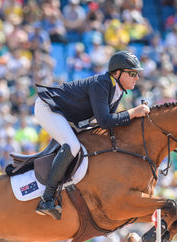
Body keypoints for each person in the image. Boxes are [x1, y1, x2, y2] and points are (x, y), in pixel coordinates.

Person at [33, 50, 150, 219]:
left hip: (67, 116)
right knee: (72, 145)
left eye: (137, 74)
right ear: (117, 73)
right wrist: (132, 113)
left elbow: (108, 124)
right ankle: (47, 198)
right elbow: (104, 121)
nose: (136, 78)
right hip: (48, 108)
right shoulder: (102, 84)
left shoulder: (116, 90)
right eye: (132, 73)